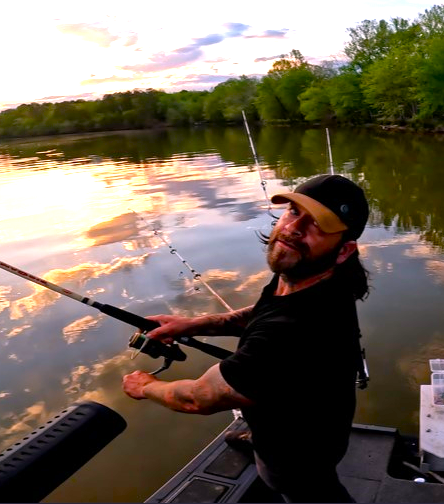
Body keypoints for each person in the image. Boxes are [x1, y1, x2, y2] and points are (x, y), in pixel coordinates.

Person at [122, 174, 371, 503]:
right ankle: (259, 434)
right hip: (303, 413)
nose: (295, 228)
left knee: (308, 491)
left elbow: (198, 398)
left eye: (319, 225)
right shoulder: (310, 279)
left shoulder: (295, 331)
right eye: (295, 212)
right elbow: (263, 312)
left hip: (298, 457)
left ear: (344, 250)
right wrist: (189, 325)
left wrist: (145, 386)